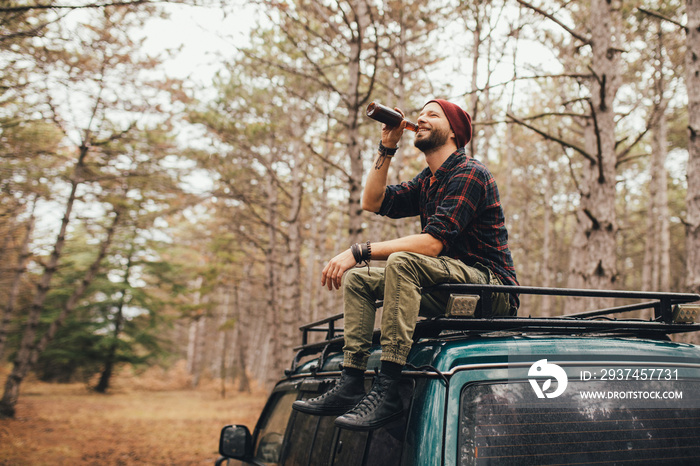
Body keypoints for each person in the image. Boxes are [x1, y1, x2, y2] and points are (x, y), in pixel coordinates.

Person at [292, 99, 519, 431]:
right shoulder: (428, 180)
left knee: (402, 262)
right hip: (451, 287)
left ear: (454, 132)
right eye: (421, 113)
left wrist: (359, 251)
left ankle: (389, 390)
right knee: (360, 281)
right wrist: (387, 147)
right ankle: (352, 379)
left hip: (490, 289)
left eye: (432, 114)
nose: (421, 118)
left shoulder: (471, 173)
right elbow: (373, 201)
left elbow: (431, 244)